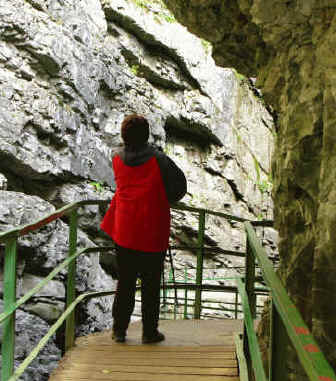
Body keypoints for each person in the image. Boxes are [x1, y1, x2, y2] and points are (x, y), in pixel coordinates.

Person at [100, 114, 187, 344]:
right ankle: (149, 332)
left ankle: (119, 330)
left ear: (124, 135)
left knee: (125, 282)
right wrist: (161, 197)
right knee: (151, 284)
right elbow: (179, 188)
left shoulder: (117, 158)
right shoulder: (159, 160)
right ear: (146, 134)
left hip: (125, 229)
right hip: (152, 230)